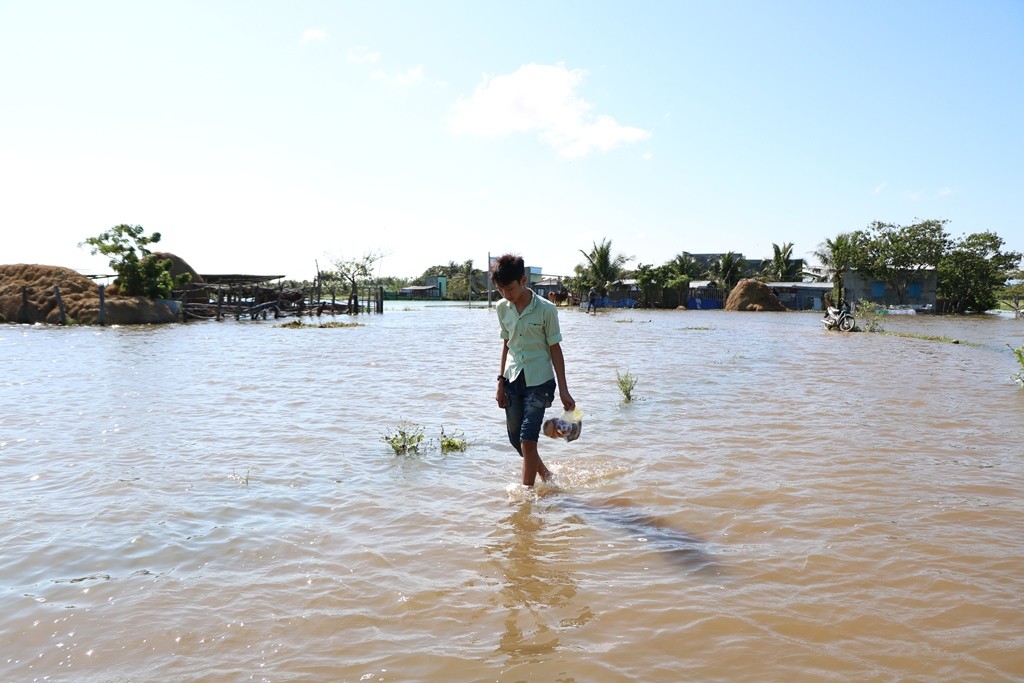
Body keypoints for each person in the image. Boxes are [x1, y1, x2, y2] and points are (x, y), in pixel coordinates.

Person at [493, 254, 575, 486]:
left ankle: (526, 500)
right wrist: (500, 382)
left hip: (540, 381)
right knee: (516, 440)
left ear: (523, 280)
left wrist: (564, 390)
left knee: (528, 440)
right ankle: (547, 476)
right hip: (512, 378)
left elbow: (555, 349)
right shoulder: (502, 308)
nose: (506, 295)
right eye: (501, 290)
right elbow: (506, 344)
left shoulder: (546, 309)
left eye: (509, 288)